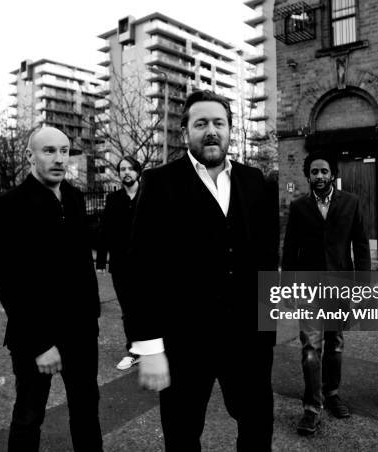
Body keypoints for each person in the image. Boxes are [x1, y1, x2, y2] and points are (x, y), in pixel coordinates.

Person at [126, 90, 277, 451]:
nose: (211, 131)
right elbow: (140, 270)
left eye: (219, 123)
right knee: (182, 434)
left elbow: (266, 260)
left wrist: (266, 332)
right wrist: (148, 348)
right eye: (201, 123)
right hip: (185, 343)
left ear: (230, 130)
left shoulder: (254, 180)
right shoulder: (160, 182)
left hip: (247, 341)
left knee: (257, 429)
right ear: (185, 133)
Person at [0, 127, 103, 451]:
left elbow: (82, 264)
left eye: (64, 151)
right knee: (28, 416)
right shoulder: (10, 205)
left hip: (81, 332)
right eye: (49, 151)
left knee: (86, 412)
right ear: (30, 156)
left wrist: (91, 316)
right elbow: (8, 280)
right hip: (35, 336)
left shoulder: (74, 198)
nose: (58, 159)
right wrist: (40, 343)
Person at [282, 150, 370, 435]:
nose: (319, 176)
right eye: (314, 172)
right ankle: (311, 408)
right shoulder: (298, 207)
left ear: (333, 174)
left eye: (324, 171)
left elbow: (360, 245)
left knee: (335, 345)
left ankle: (332, 394)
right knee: (310, 349)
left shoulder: (351, 203)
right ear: (308, 175)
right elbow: (290, 250)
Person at [96, 155, 141, 370]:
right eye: (122, 169)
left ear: (138, 172)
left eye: (130, 168)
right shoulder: (114, 200)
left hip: (147, 264)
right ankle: (134, 350)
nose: (126, 172)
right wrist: (101, 260)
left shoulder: (150, 196)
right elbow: (105, 230)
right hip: (121, 265)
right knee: (128, 309)